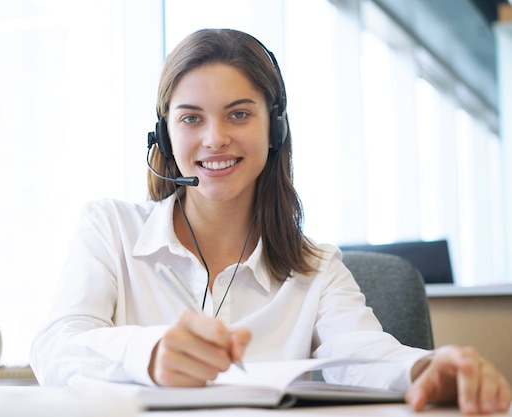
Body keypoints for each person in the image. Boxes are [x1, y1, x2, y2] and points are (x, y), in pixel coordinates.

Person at [30, 28, 511, 414]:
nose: (215, 138)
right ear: (165, 133)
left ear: (274, 128)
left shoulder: (315, 268)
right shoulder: (110, 228)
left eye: (238, 114)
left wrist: (429, 369)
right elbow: (55, 349)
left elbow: (365, 355)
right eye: (191, 118)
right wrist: (150, 354)